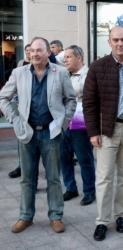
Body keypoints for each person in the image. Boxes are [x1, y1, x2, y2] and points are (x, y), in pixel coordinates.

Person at [0, 37, 76, 233]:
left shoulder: (60, 72)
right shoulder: (19, 73)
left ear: (47, 53)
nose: (34, 54)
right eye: (32, 51)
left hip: (52, 133)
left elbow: (70, 100)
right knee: (27, 178)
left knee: (53, 178)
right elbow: (3, 98)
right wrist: (15, 121)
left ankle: (56, 216)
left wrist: (63, 122)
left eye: (39, 50)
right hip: (28, 133)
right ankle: (26, 217)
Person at [83, 27, 123, 241]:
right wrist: (93, 132)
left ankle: (121, 215)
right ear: (109, 42)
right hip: (107, 130)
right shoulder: (97, 67)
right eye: (116, 40)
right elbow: (89, 103)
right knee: (104, 178)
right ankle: (102, 220)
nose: (120, 43)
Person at [60, 45, 96, 206]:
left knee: (84, 158)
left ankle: (89, 191)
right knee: (64, 157)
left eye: (68, 57)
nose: (65, 59)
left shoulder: (89, 75)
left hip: (81, 122)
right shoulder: (63, 75)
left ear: (79, 58)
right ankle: (70, 188)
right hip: (63, 122)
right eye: (64, 57)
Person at [8, 44, 32, 179]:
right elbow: (15, 84)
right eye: (27, 50)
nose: (30, 52)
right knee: (22, 138)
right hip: (22, 104)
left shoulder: (45, 65)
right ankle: (21, 166)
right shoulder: (21, 64)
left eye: (32, 50)